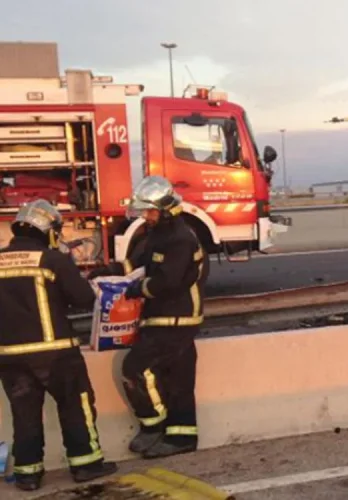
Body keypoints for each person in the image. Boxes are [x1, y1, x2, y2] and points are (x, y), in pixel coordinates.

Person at [88, 175, 208, 459]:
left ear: (166, 209)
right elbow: (140, 262)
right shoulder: (159, 235)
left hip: (176, 318)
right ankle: (180, 437)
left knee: (134, 368)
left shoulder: (181, 239)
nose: (146, 215)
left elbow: (168, 282)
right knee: (177, 380)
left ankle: (155, 425)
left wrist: (135, 288)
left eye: (150, 210)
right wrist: (112, 270)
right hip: (163, 318)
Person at [0, 199, 117, 491]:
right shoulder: (53, 260)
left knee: (25, 414)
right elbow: (83, 299)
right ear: (47, 230)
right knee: (75, 406)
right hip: (56, 354)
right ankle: (86, 464)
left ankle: (28, 474)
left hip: (10, 358)